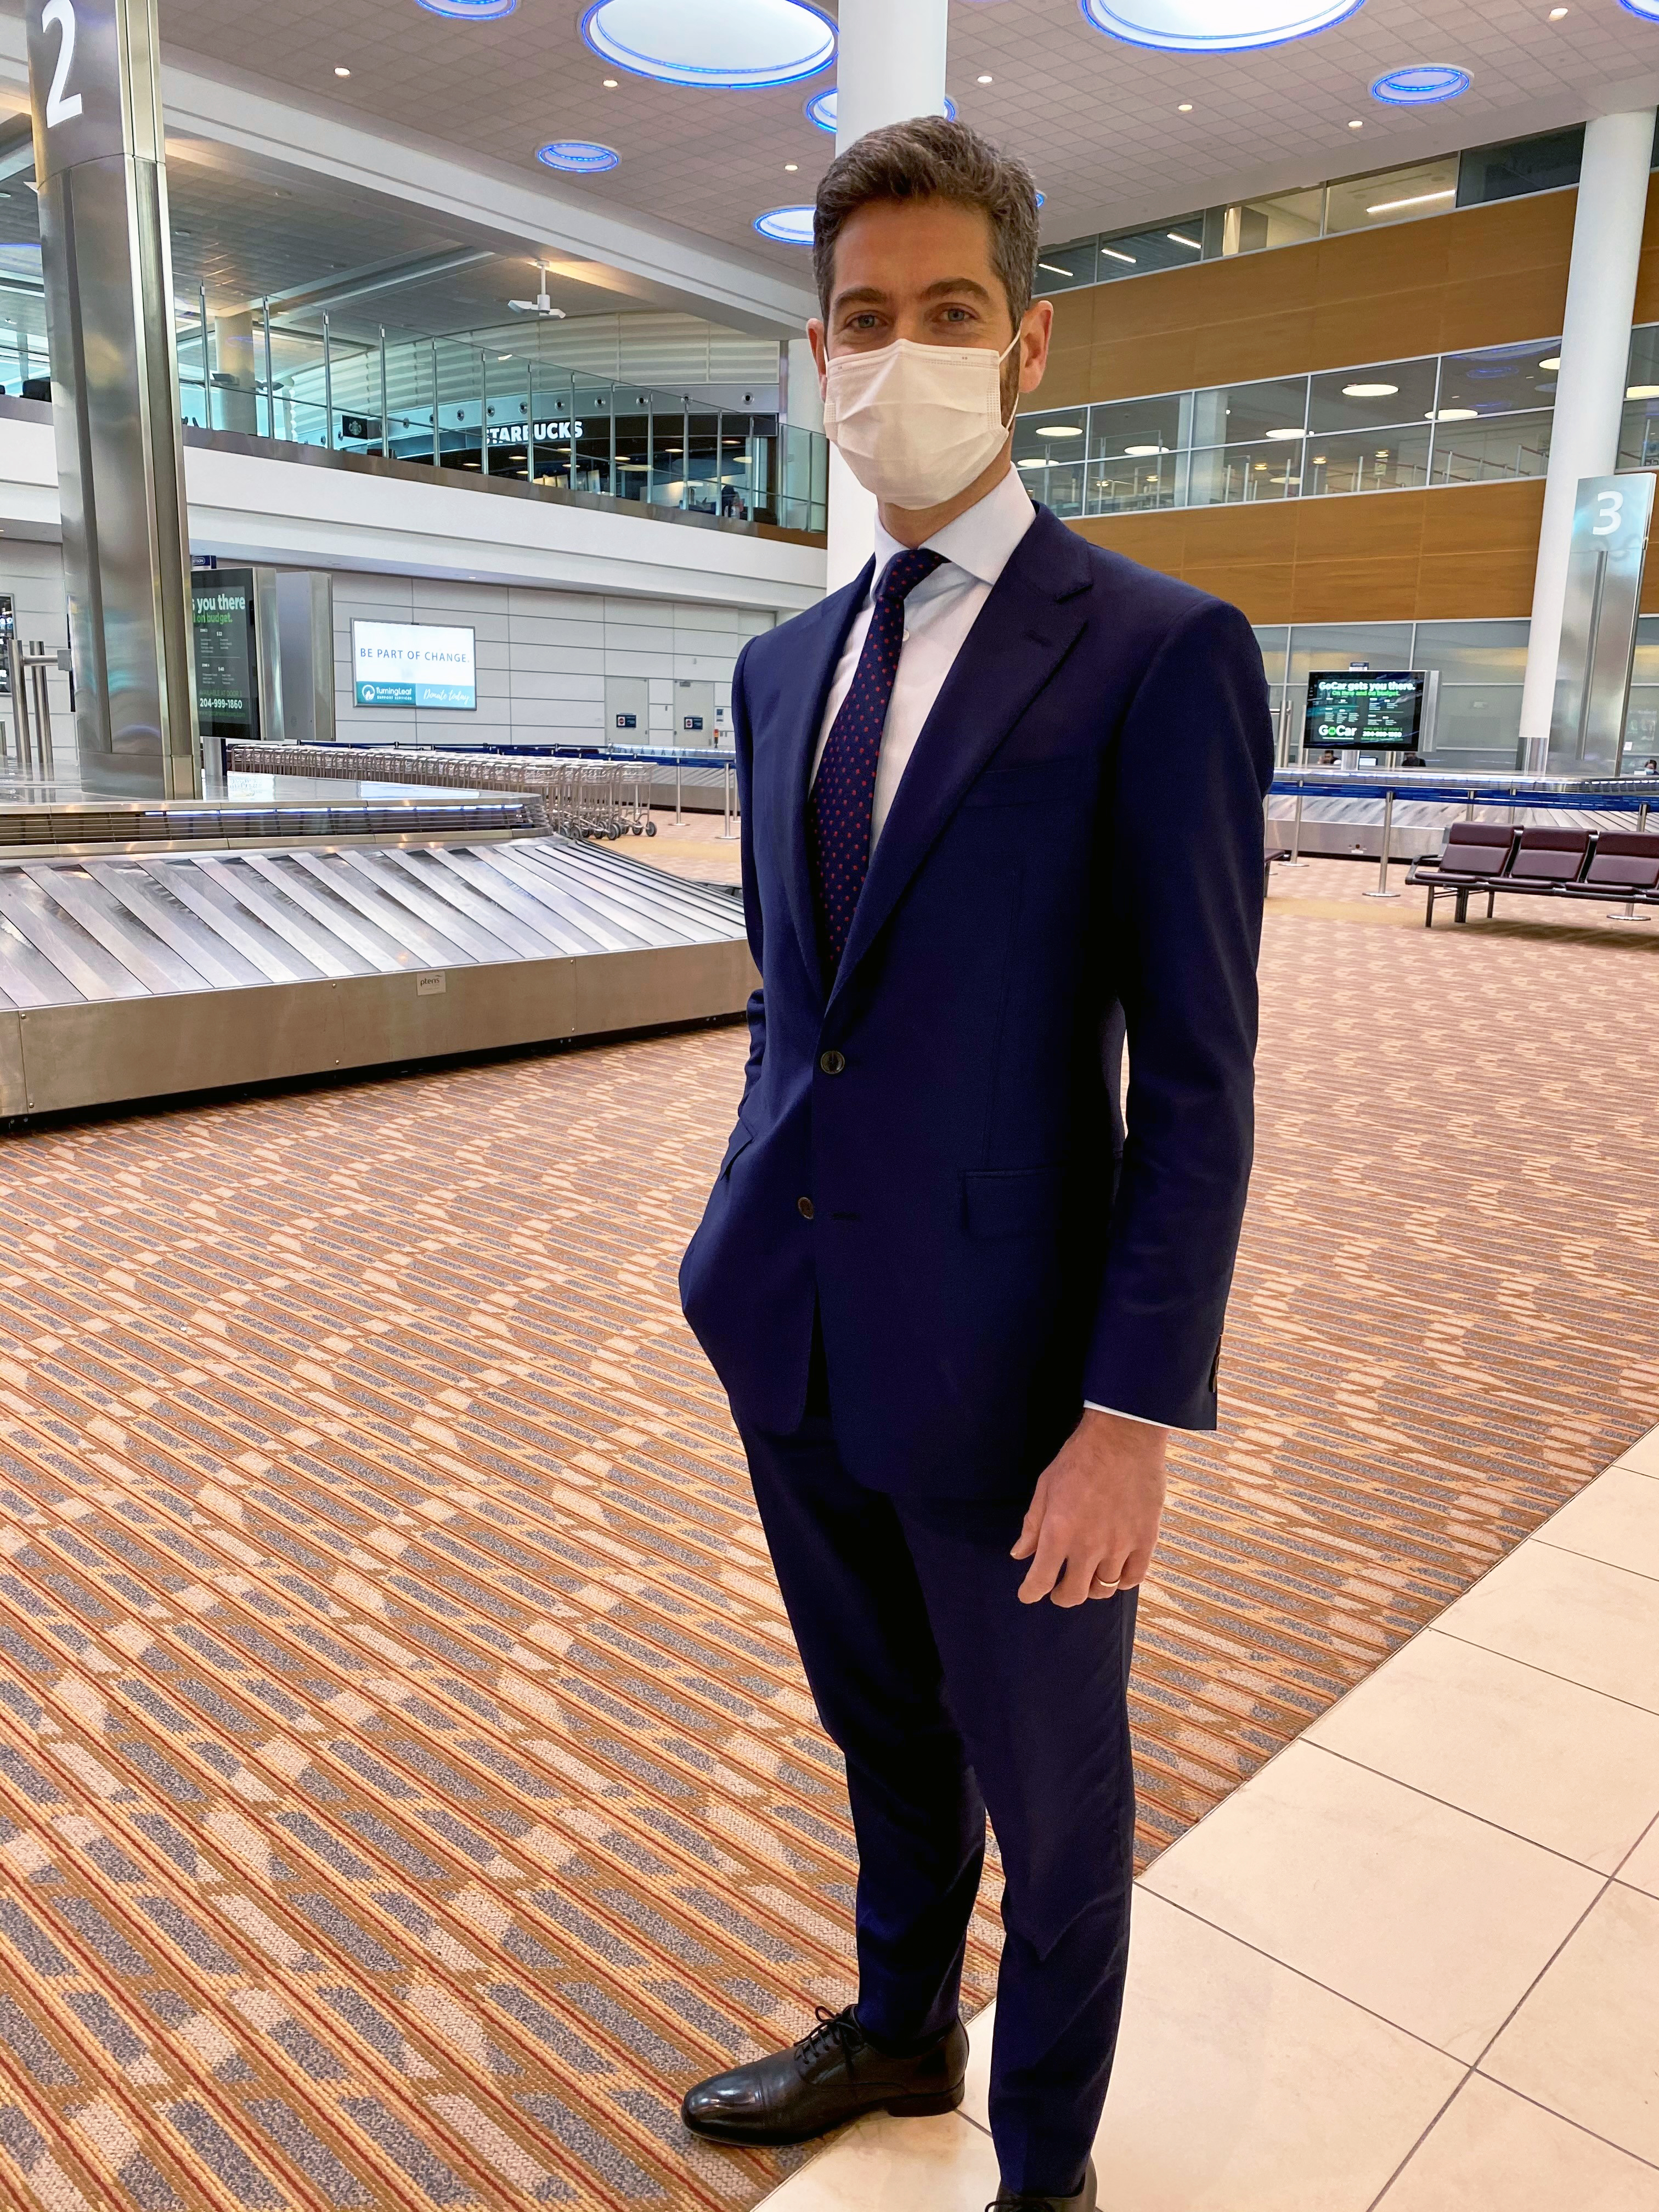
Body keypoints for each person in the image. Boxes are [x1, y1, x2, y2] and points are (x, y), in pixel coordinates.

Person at [677, 117, 1272, 2212]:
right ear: (814, 353)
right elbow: (799, 1013)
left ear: (1031, 345)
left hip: (1027, 1380)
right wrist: (731, 1248)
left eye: (946, 315)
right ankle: (903, 2026)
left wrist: (1133, 1415)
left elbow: (1197, 1079)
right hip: (796, 1338)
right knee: (881, 1730)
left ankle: (1045, 2174)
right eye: (862, 319)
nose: (897, 352)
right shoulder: (778, 673)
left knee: (1056, 1798)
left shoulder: (1151, 654)